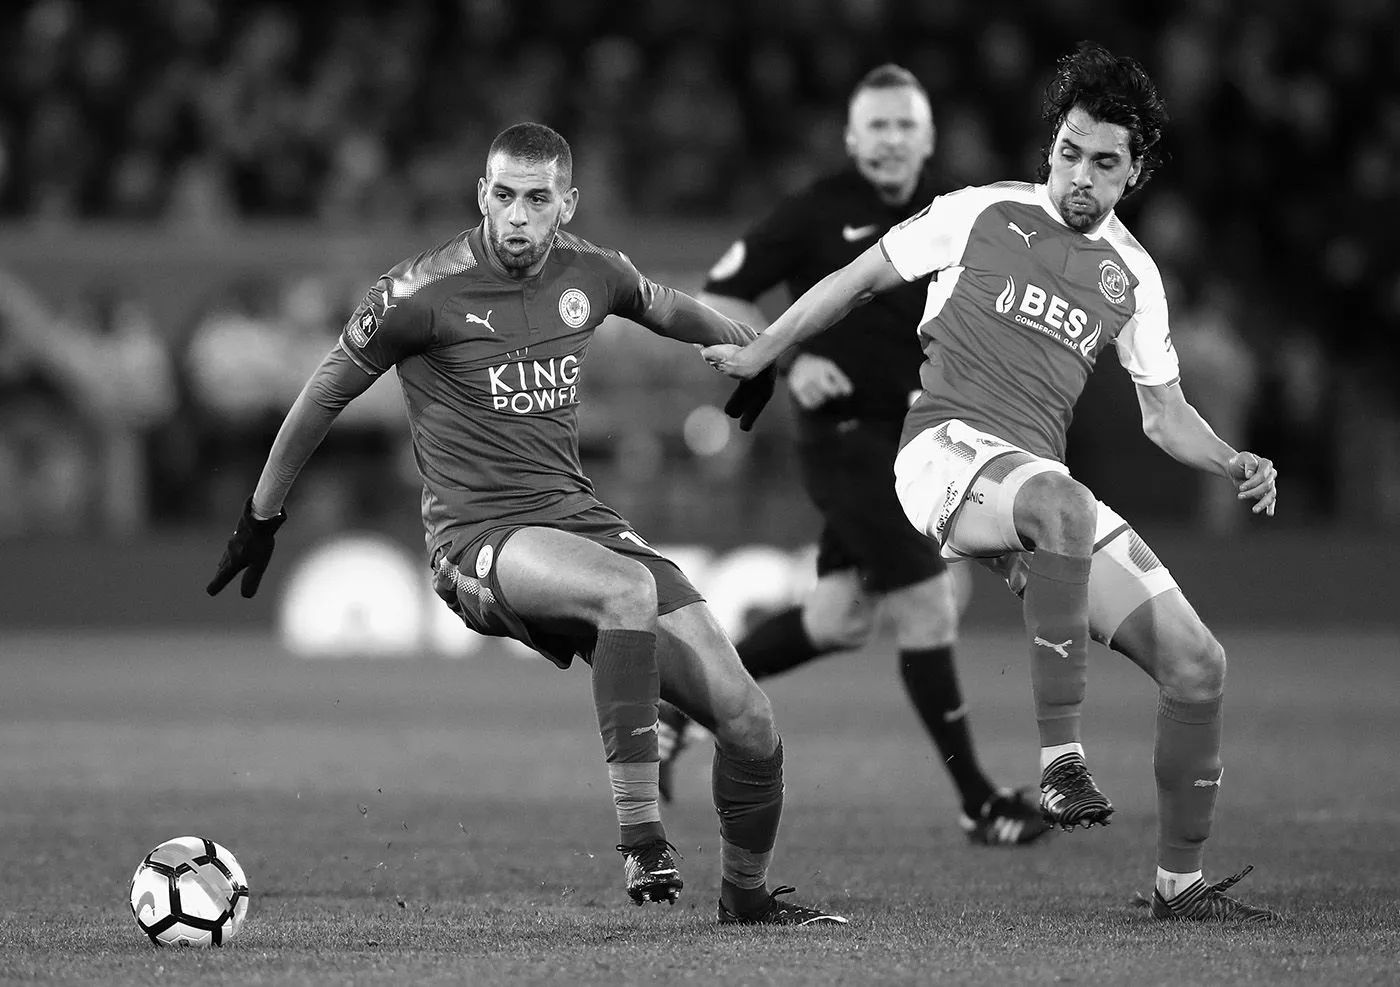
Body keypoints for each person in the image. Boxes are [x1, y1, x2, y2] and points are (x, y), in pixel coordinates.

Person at [206, 122, 845, 927]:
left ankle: (745, 898)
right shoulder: (419, 293)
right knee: (625, 592)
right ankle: (643, 836)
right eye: (502, 196)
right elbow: (322, 394)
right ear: (482, 195)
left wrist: (752, 350)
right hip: (477, 540)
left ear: (565, 204)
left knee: (750, 719)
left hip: (578, 519)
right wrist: (262, 513)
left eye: (536, 200)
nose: (516, 216)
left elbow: (666, 307)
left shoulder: (593, 272)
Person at [699, 43, 1281, 922]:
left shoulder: (1134, 277)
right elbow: (855, 282)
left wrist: (1232, 457)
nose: (1080, 176)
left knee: (1200, 664)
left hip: (1037, 491)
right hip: (941, 452)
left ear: (1137, 171)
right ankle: (1059, 763)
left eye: (1105, 162)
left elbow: (1164, 416)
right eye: (1069, 153)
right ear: (1051, 145)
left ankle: (1180, 885)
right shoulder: (979, 213)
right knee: (1064, 503)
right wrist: (762, 351)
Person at [657, 64, 1048, 849]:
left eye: (906, 125)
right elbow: (723, 292)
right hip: (845, 437)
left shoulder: (963, 211)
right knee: (928, 604)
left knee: (838, 619)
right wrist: (789, 361)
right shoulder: (815, 209)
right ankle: (979, 801)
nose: (892, 140)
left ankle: (678, 702)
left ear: (928, 136)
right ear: (851, 136)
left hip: (925, 439)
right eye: (878, 125)